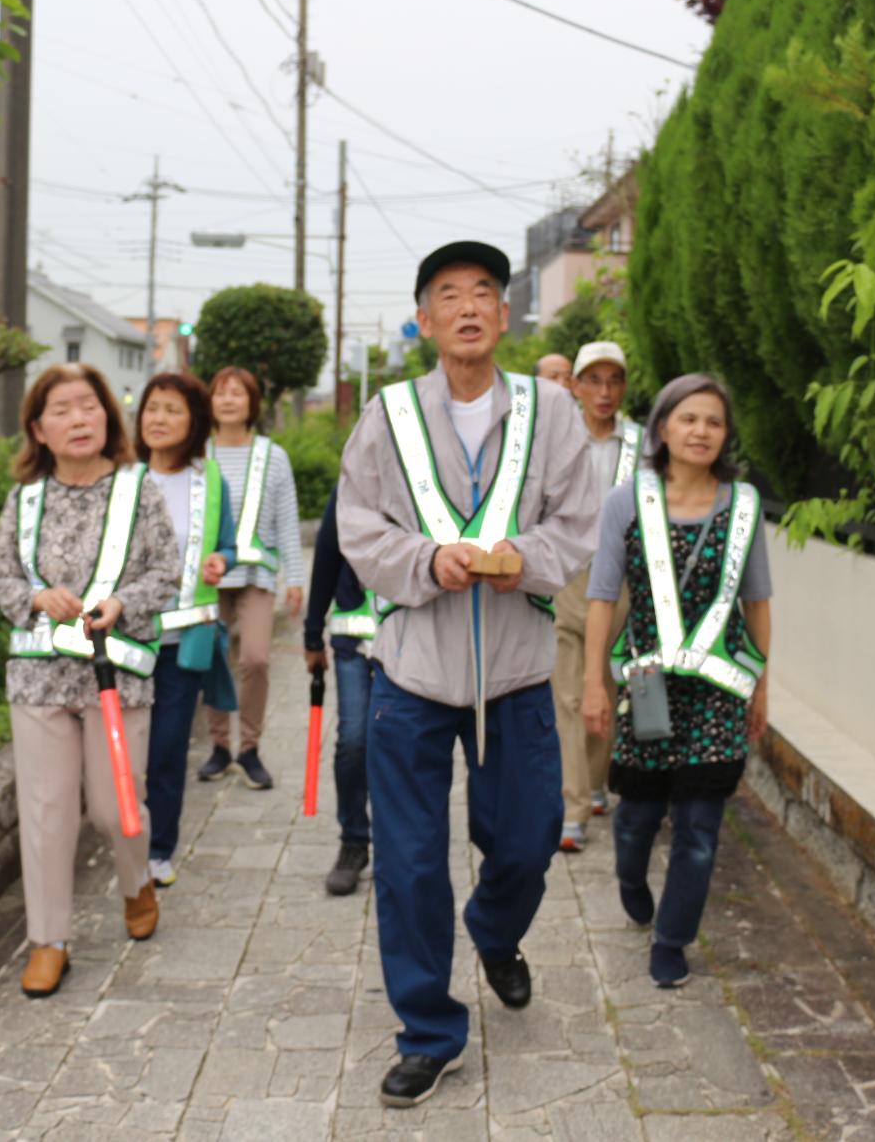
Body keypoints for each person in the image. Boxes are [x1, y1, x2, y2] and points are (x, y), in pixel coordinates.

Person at [337, 240, 601, 1108]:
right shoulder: (389, 414)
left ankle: (494, 929)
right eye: (447, 294)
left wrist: (520, 556)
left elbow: (578, 521)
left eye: (484, 291)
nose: (467, 306)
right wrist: (426, 559)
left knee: (528, 841)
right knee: (411, 862)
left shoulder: (550, 412)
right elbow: (358, 525)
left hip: (518, 672)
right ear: (424, 319)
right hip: (412, 674)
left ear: (506, 313)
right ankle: (429, 1030)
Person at [0, 363, 182, 999]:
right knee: (44, 813)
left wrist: (123, 602)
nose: (79, 419)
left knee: (115, 808)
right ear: (39, 429)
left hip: (115, 672)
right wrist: (37, 598)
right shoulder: (26, 499)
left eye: (89, 407)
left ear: (107, 418)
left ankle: (136, 881)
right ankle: (49, 940)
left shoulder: (138, 487)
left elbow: (165, 571)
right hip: (39, 676)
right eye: (63, 410)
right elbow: (1, 580)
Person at [582, 373, 771, 990]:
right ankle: (631, 879)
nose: (701, 431)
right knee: (635, 818)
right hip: (648, 687)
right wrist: (593, 685)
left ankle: (672, 939)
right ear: (662, 428)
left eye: (714, 422)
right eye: (689, 419)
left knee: (698, 828)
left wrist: (761, 686)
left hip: (717, 689)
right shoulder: (626, 501)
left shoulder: (742, 505)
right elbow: (603, 597)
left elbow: (758, 601)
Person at [136, 373, 238, 888]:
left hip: (187, 639)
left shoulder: (211, 480)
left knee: (168, 749)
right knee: (127, 754)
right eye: (152, 408)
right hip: (126, 639)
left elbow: (230, 546)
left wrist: (222, 559)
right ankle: (126, 839)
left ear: (194, 420)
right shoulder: (123, 478)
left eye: (172, 410)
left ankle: (159, 850)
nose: (158, 418)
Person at [197, 366, 305, 790]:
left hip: (257, 573)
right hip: (209, 577)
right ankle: (220, 746)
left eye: (237, 393)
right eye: (220, 393)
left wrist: (295, 577)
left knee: (256, 658)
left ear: (252, 403)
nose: (227, 400)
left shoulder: (272, 456)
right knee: (210, 657)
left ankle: (250, 748)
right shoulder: (198, 454)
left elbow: (286, 521)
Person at [554, 341, 643, 852]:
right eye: (593, 380)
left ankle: (594, 782)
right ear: (576, 385)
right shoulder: (558, 439)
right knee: (568, 691)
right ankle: (573, 809)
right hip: (570, 575)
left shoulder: (642, 444)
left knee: (605, 689)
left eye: (614, 381)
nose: (604, 392)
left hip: (625, 579)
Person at [304, 487, 381, 896]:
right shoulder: (350, 488)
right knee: (353, 740)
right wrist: (312, 633)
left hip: (412, 642)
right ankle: (354, 841)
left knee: (399, 744)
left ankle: (396, 845)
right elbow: (327, 558)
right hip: (353, 641)